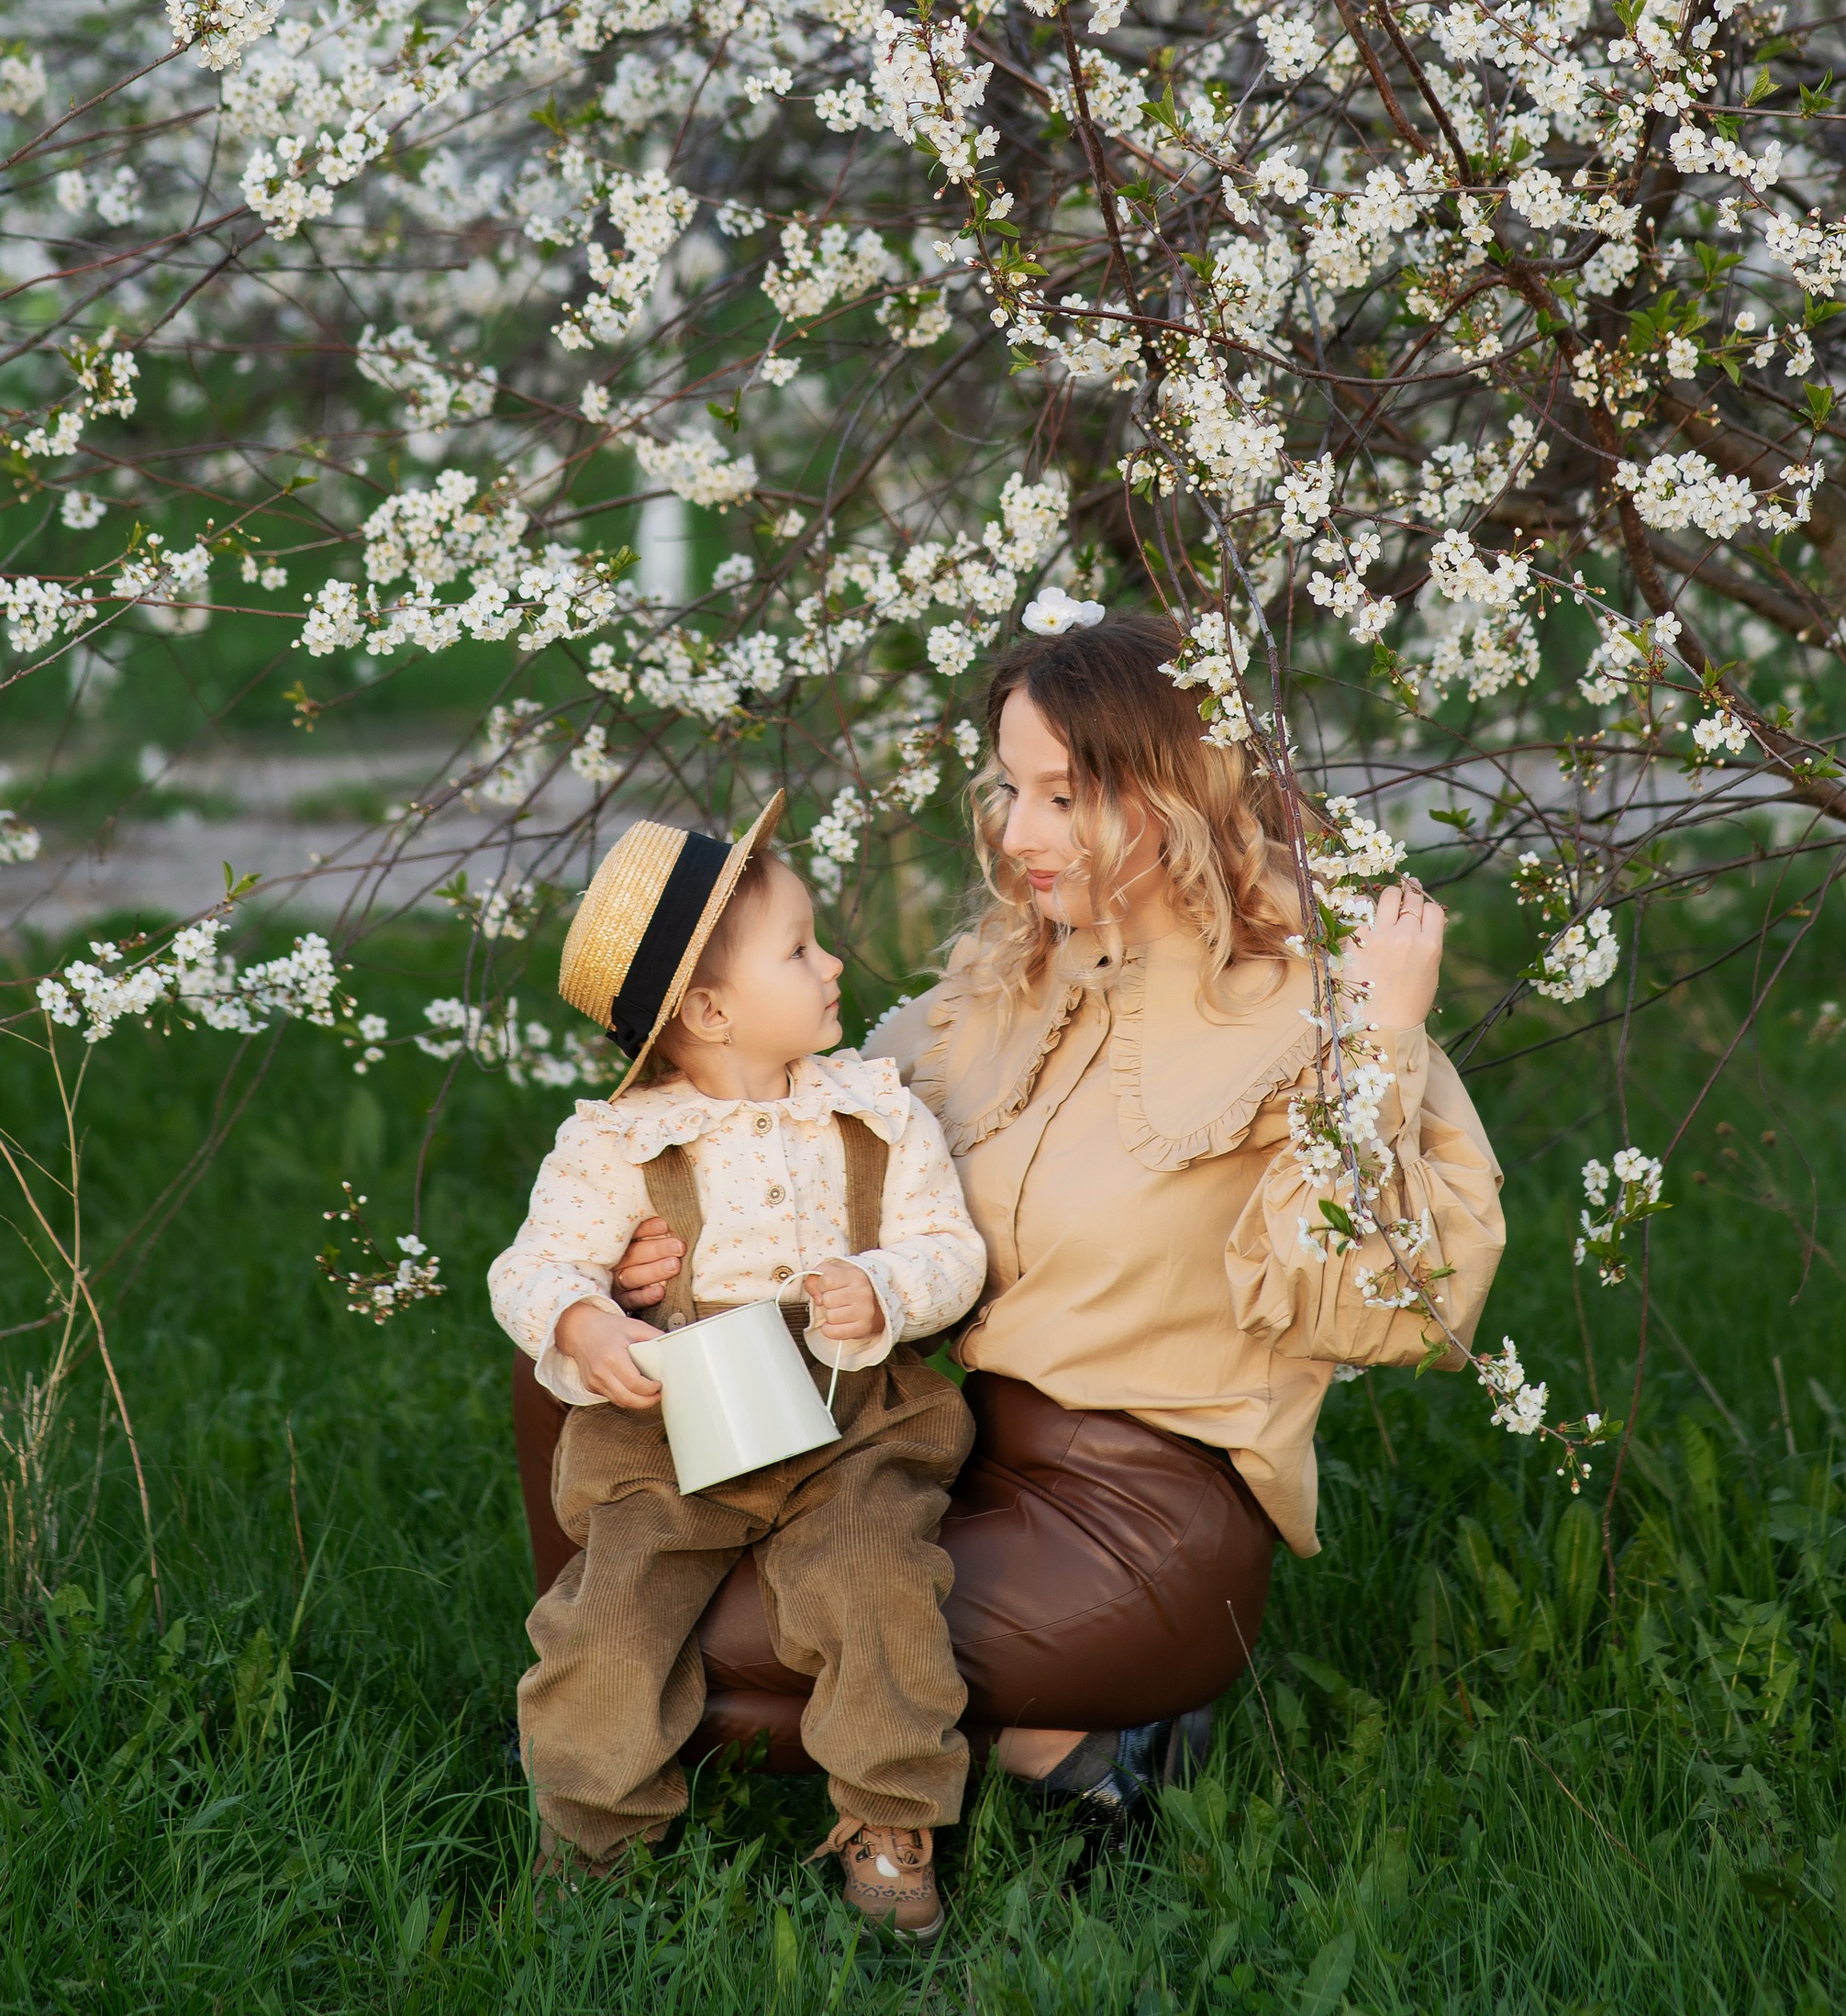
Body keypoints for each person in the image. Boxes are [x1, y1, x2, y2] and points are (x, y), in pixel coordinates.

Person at [581, 615, 1506, 1846]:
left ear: (1176, 792)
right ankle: (1049, 1750)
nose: (1017, 833)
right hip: (942, 1462)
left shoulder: (1326, 1007)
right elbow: (814, 1141)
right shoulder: (1010, 981)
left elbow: (1392, 1312)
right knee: (597, 1367)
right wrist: (641, 1251)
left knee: (665, 1635)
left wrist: (1383, 1042)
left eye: (1063, 796)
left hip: (1146, 1524)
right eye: (1011, 787)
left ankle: (1057, 1743)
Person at [488, 797, 985, 1938]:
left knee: (879, 1583)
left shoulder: (873, 1113)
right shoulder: (616, 1144)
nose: (833, 961)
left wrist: (890, 1286)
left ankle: (888, 1814)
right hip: (673, 1435)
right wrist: (588, 1324)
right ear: (708, 1008)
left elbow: (949, 1245)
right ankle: (592, 1833)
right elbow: (530, 1265)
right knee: (605, 1619)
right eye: (801, 946)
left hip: (849, 1415)